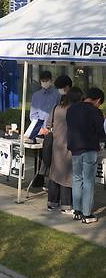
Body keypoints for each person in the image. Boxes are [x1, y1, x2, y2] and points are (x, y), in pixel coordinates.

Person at [66, 87, 105, 224]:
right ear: (98, 100)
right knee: (88, 182)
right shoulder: (96, 112)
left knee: (77, 179)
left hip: (75, 149)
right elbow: (101, 132)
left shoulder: (71, 109)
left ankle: (76, 210)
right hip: (89, 150)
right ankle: (87, 214)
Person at [46, 81, 77, 214]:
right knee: (66, 176)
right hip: (69, 146)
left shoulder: (55, 108)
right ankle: (66, 204)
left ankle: (52, 202)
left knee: (54, 173)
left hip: (56, 145)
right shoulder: (73, 110)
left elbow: (48, 125)